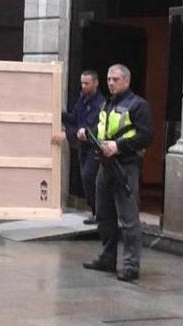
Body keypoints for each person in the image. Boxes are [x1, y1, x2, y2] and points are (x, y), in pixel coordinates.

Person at [78, 64, 152, 282]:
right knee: (104, 215)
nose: (111, 83)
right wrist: (88, 135)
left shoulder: (138, 105)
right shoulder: (107, 104)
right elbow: (104, 130)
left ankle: (131, 265)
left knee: (128, 219)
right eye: (109, 79)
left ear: (126, 81)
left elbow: (146, 135)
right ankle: (107, 257)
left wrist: (118, 147)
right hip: (104, 164)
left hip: (124, 166)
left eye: (115, 79)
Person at [53, 70, 105, 224]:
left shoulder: (99, 103)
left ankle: (99, 214)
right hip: (83, 147)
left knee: (90, 177)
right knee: (85, 178)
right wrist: (59, 114)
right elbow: (75, 119)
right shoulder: (82, 99)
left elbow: (87, 128)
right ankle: (96, 213)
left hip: (93, 146)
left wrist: (67, 135)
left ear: (95, 83)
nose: (83, 86)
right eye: (82, 83)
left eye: (86, 83)